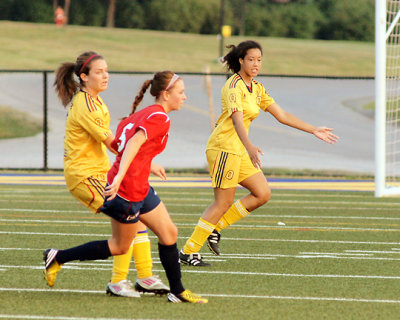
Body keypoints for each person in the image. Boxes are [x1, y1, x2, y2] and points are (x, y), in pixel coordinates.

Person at [44, 71, 208, 303]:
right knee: (120, 246)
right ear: (165, 94)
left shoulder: (145, 113)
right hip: (127, 190)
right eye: (181, 93)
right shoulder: (160, 117)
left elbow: (125, 142)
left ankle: (177, 291)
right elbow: (133, 142)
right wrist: (121, 176)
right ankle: (58, 257)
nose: (184, 97)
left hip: (138, 185)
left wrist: (148, 164)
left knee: (169, 232)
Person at [179, 40, 339, 266]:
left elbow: (281, 115)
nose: (256, 64)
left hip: (239, 151)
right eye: (251, 59)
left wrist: (313, 129)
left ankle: (215, 228)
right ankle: (188, 251)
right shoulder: (233, 86)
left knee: (262, 193)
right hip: (224, 148)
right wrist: (250, 146)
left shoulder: (257, 88)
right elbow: (236, 120)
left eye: (259, 60)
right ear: (241, 61)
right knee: (222, 203)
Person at [53, 51, 169, 297]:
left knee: (134, 214)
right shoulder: (87, 105)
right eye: (99, 72)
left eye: (106, 71)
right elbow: (114, 144)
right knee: (128, 215)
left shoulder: (94, 99)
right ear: (84, 77)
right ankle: (116, 281)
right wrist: (146, 161)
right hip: (85, 177)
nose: (105, 76)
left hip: (100, 171)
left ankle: (145, 277)